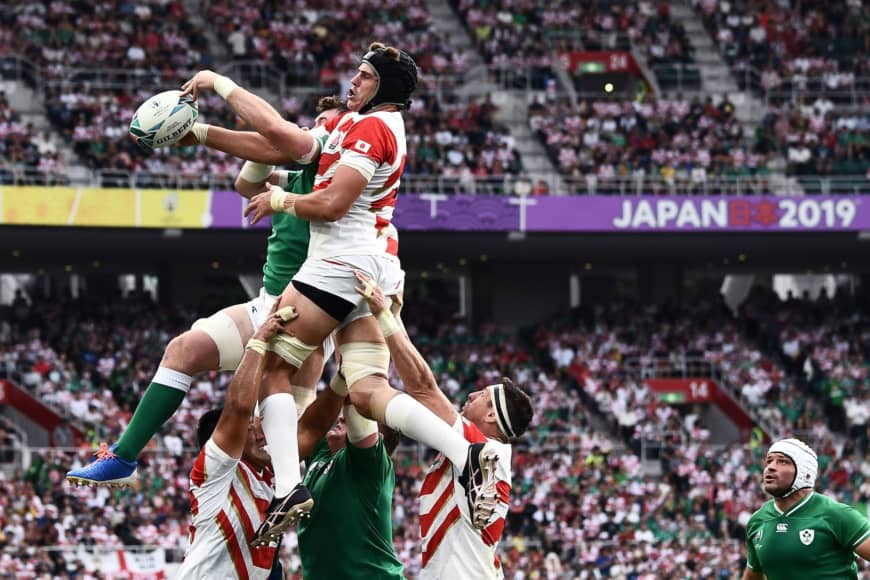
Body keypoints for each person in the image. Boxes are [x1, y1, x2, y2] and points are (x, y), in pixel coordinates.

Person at [180, 42, 501, 547]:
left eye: (364, 75)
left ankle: (288, 487)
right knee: (367, 389)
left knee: (276, 366)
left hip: (339, 264)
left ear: (386, 88)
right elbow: (277, 139)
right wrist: (205, 122)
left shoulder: (373, 128)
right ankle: (466, 449)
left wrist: (279, 199)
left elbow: (331, 204)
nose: (353, 81)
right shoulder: (354, 124)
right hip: (367, 267)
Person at [65, 98, 348, 487]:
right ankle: (123, 456)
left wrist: (208, 112)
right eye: (314, 121)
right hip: (267, 304)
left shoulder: (340, 182)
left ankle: (290, 513)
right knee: (183, 350)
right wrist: (270, 136)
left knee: (278, 451)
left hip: (308, 316)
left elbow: (275, 145)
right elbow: (246, 182)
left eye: (326, 123)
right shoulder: (299, 173)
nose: (316, 127)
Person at [353, 271, 534, 579]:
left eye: (483, 395)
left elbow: (423, 387)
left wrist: (384, 316)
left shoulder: (478, 445)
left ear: (492, 416)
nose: (473, 394)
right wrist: (391, 318)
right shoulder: (485, 452)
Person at [176, 303, 345, 580]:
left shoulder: (275, 473)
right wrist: (259, 340)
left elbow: (311, 429)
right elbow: (239, 407)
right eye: (252, 430)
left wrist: (343, 378)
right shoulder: (217, 472)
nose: (261, 433)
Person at [296, 381, 404, 579]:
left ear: (377, 438)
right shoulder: (322, 454)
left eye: (348, 420)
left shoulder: (371, 466)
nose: (340, 417)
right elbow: (304, 396)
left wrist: (352, 361)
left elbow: (356, 398)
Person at [743, 438, 870, 580]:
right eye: (769, 461)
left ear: (805, 473)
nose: (770, 467)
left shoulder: (836, 514)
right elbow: (752, 576)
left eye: (783, 461)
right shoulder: (757, 521)